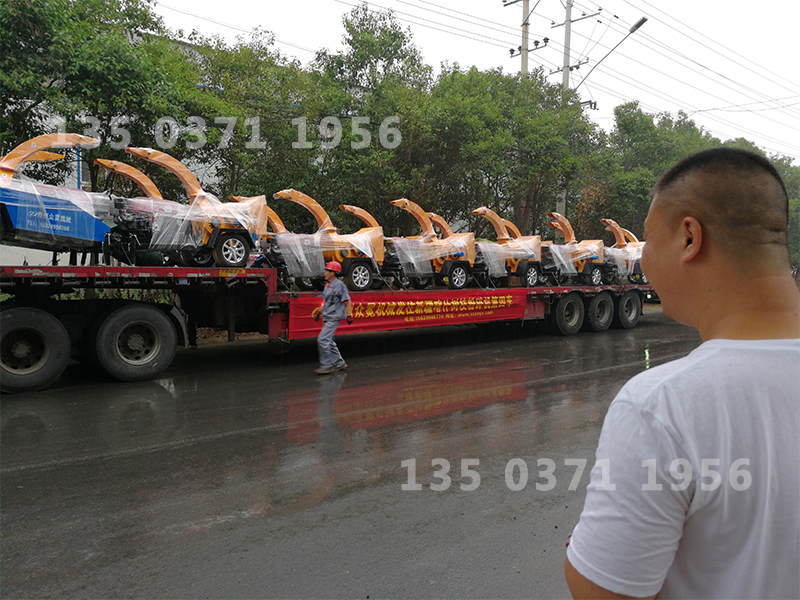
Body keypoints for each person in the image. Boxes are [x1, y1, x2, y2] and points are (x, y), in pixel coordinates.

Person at [564, 148, 800, 599]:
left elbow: (605, 590)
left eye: (648, 242)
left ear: (690, 238)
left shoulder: (663, 405)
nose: (642, 260)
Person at [312, 261, 354, 375]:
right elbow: (327, 302)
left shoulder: (340, 285)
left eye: (327, 271)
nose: (325, 273)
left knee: (322, 339)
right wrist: (319, 312)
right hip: (327, 315)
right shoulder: (327, 286)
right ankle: (339, 363)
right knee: (329, 341)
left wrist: (349, 315)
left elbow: (347, 300)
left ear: (333, 273)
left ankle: (327, 365)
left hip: (334, 316)